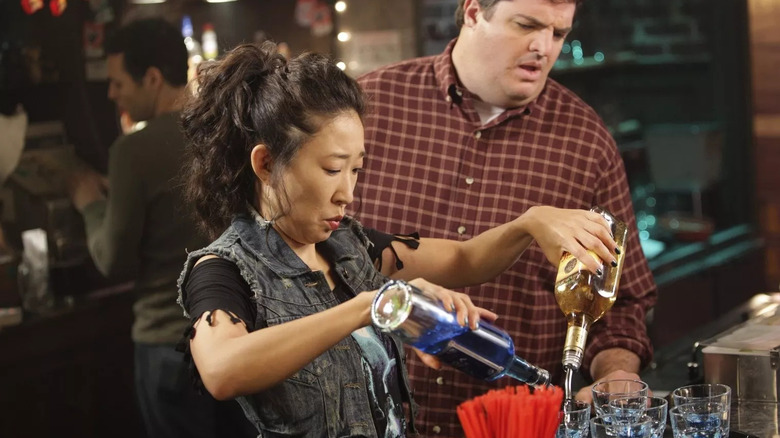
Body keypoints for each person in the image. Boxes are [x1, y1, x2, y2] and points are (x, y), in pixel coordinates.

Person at [176, 41, 621, 437]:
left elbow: (465, 260)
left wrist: (529, 222)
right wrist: (369, 305)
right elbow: (222, 369)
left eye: (356, 169)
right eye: (332, 169)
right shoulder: (223, 270)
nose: (347, 193)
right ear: (267, 163)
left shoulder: (349, 247)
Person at [356, 0, 658, 435]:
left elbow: (621, 301)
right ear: (474, 12)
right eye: (526, 25)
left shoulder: (586, 143)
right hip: (371, 421)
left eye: (558, 34)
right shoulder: (370, 108)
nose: (543, 47)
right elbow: (314, 256)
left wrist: (616, 372)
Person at [66, 18, 253, 438]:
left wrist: (92, 205)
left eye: (118, 83)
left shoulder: (132, 150)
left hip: (169, 343)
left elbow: (113, 261)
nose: (112, 94)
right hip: (241, 336)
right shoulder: (226, 133)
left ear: (152, 78)